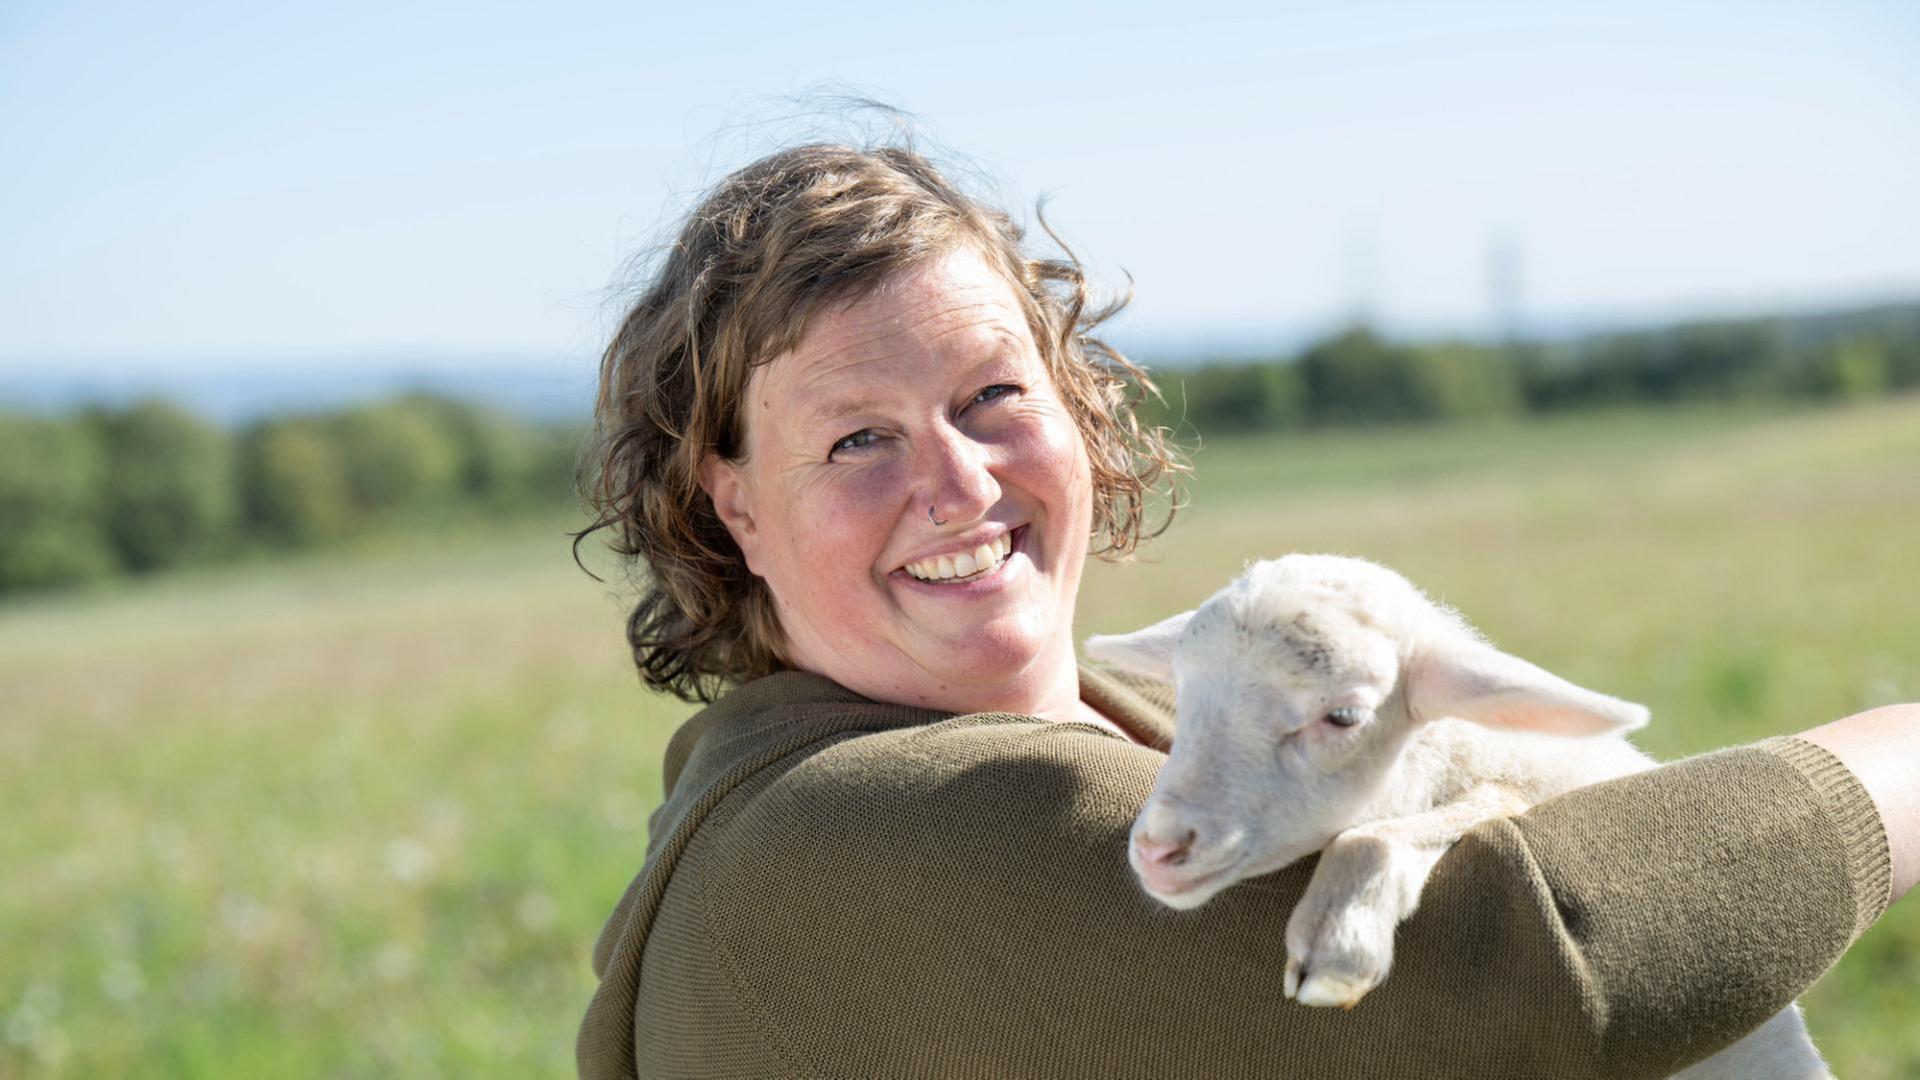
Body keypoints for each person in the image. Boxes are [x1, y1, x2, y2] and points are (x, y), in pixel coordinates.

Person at [573, 141, 1914, 1079]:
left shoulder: (1143, 723)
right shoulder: (859, 833)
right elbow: (1514, 971)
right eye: (857, 439)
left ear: (1075, 408)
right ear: (734, 502)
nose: (958, 482)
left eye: (993, 398)